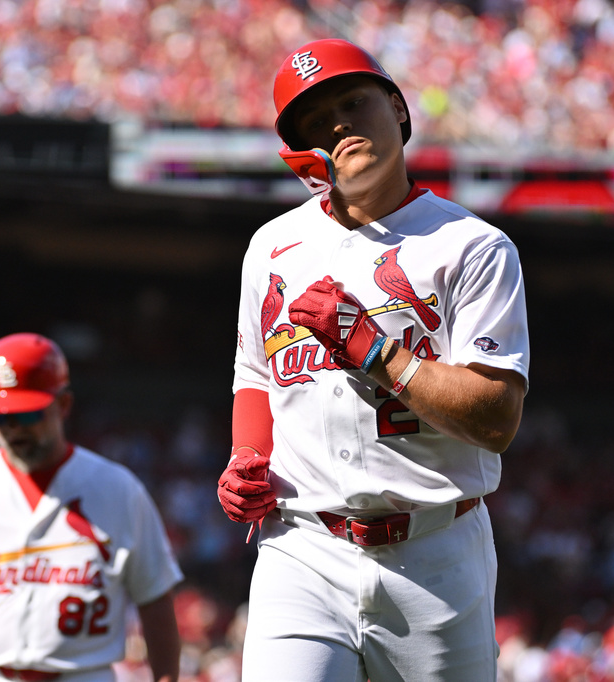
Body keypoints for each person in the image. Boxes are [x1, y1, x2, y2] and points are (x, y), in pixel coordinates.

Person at [217, 39, 530, 681]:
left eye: (355, 102)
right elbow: (254, 372)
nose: (339, 124)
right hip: (300, 545)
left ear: (397, 109)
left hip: (434, 553)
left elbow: (497, 419)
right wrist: (246, 454)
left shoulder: (473, 246)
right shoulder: (271, 246)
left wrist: (376, 350)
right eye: (316, 119)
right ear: (300, 150)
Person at [0, 332, 183, 682]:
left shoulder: (119, 489)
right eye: (0, 417)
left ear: (62, 405)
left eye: (26, 415)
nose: (13, 429)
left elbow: (155, 599)